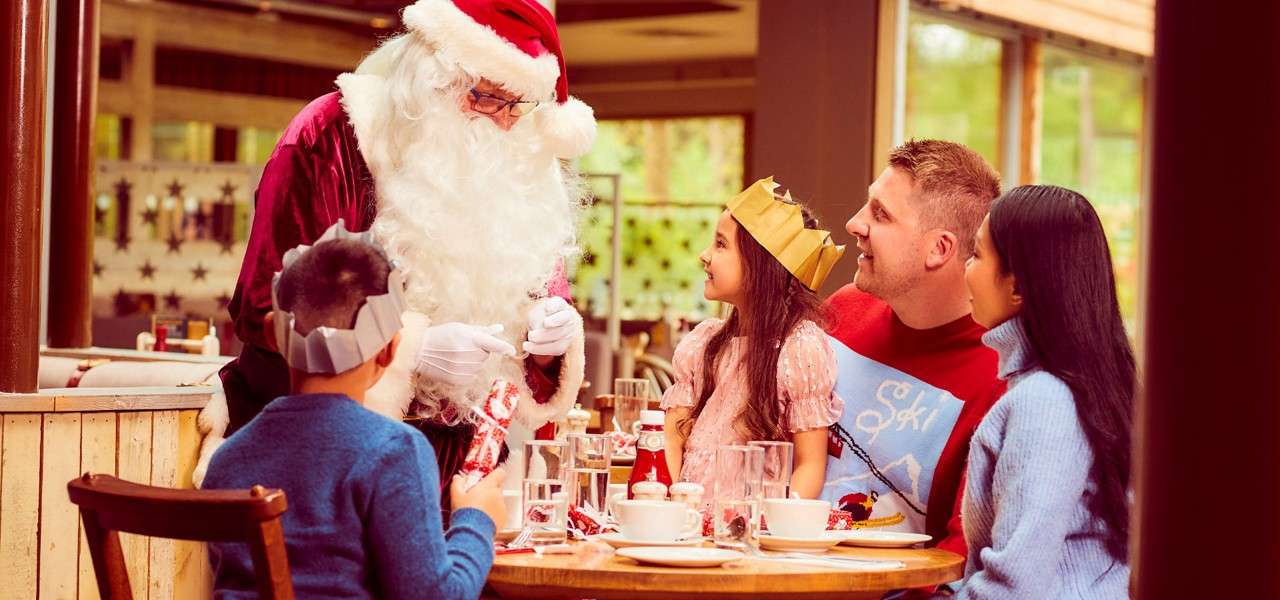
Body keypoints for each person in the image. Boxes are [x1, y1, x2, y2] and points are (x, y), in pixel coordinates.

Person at [196, 0, 598, 491]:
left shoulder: (521, 159)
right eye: (488, 98)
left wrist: (547, 339)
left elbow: (542, 299)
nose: (505, 122)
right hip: (323, 468)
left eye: (519, 105)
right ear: (432, 78)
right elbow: (268, 310)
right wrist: (411, 349)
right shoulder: (332, 135)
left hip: (463, 475)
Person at [203, 223, 507, 599]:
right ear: (390, 351)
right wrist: (477, 519)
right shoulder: (394, 453)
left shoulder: (226, 461)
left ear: (272, 334)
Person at [821, 140, 1004, 564]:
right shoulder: (842, 310)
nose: (854, 223)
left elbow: (960, 558)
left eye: (880, 214)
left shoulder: (999, 378)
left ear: (939, 249)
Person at [954, 185, 1133, 598]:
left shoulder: (1044, 402)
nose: (966, 268)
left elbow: (1014, 587)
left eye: (976, 254)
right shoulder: (1069, 388)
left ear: (1017, 287)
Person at [662, 178, 846, 499]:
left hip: (756, 524)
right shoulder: (704, 343)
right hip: (690, 519)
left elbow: (810, 465)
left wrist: (774, 523)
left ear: (760, 265)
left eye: (721, 244)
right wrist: (674, 506)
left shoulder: (798, 350)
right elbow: (671, 440)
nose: (705, 255)